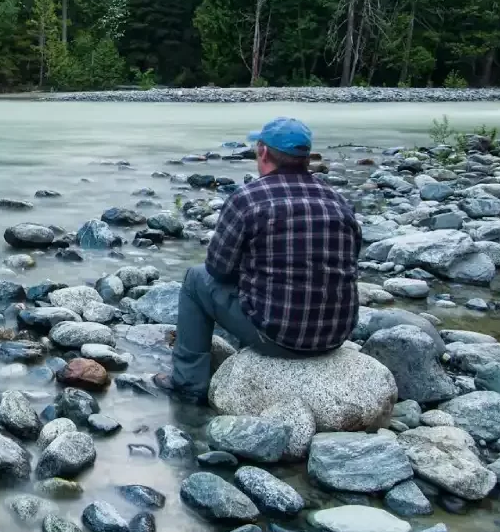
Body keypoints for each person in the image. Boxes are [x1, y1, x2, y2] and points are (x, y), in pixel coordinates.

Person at [153, 117, 362, 402]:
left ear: (263, 152)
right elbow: (350, 261)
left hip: (278, 338)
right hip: (334, 335)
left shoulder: (248, 198)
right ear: (305, 157)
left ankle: (188, 384)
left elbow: (217, 268)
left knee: (194, 279)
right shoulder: (336, 200)